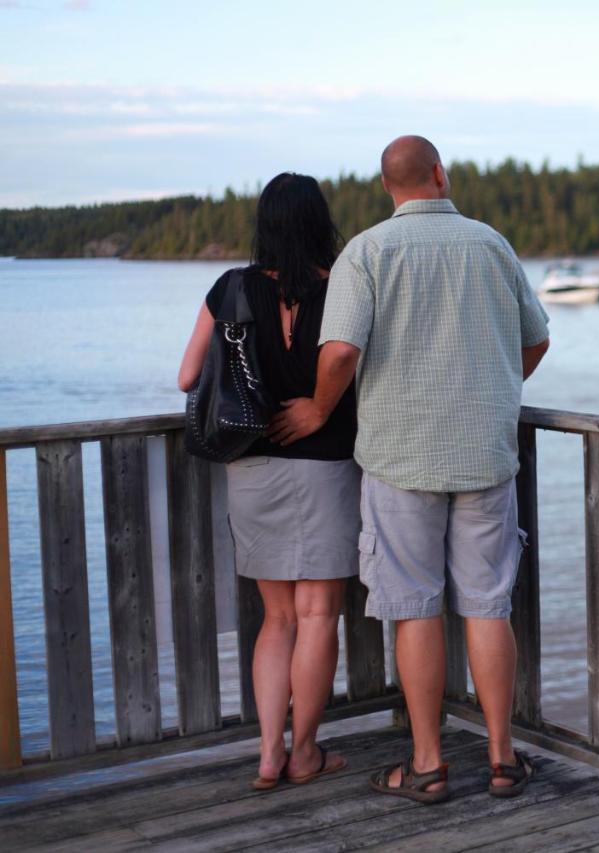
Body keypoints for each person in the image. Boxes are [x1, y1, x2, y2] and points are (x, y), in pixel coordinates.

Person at [268, 135, 551, 804]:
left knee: (416, 609)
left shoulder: (365, 252)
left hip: (400, 458)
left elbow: (338, 353)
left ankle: (427, 763)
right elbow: (535, 339)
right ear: (440, 176)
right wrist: (494, 392)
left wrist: (316, 408)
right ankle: (503, 757)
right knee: (487, 605)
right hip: (484, 454)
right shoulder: (491, 244)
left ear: (387, 188)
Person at [178, 172, 358, 790]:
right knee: (318, 615)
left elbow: (185, 379)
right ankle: (304, 753)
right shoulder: (345, 289)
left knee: (276, 619)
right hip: (327, 466)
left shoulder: (230, 288)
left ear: (264, 223)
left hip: (251, 468)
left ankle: (265, 753)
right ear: (319, 221)